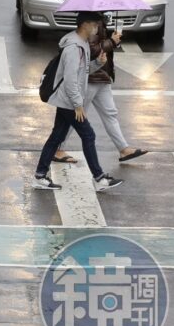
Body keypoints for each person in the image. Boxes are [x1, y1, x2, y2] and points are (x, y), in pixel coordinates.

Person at [33, 12, 123, 192]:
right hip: (68, 101)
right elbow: (70, 79)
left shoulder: (82, 44)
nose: (97, 28)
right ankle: (99, 178)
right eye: (95, 25)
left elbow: (82, 72)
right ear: (85, 25)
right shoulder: (74, 47)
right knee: (88, 135)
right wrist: (78, 105)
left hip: (67, 100)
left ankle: (40, 175)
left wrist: (97, 63)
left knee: (56, 136)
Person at [53, 15, 148, 164]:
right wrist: (111, 42)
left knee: (110, 113)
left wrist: (113, 40)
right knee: (76, 115)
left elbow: (102, 49)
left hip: (102, 76)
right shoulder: (91, 23)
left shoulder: (100, 21)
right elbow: (91, 50)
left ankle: (123, 149)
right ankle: (58, 149)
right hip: (90, 78)